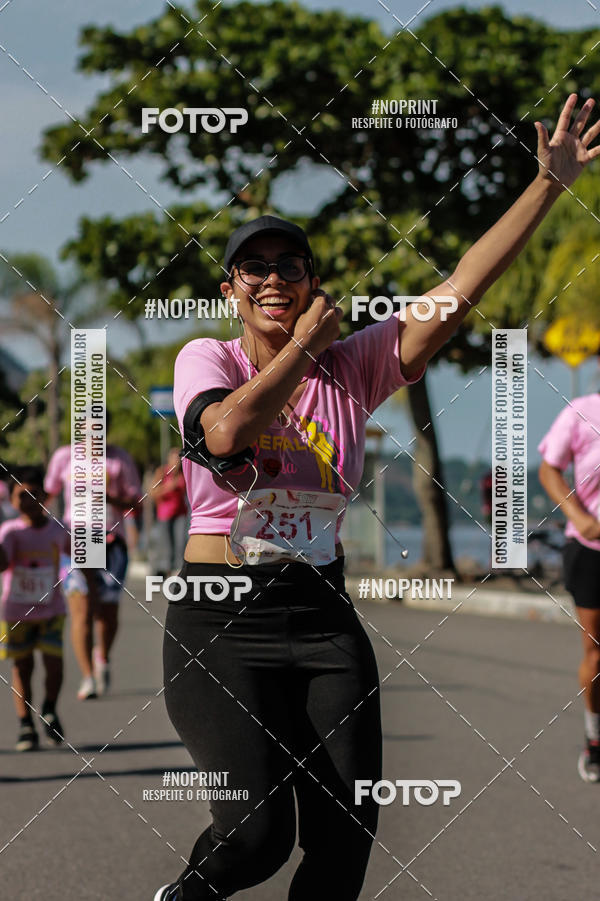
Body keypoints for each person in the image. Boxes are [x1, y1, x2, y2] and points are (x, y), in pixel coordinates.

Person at [156, 94, 600, 900]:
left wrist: (549, 185)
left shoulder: (354, 366)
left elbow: (460, 287)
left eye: (291, 266)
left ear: (314, 283)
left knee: (344, 840)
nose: (273, 277)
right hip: (219, 616)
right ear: (231, 289)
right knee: (256, 836)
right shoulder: (207, 357)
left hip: (320, 610)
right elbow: (223, 436)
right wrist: (298, 349)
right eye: (254, 267)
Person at [44, 410, 143, 699]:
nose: (93, 438)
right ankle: (88, 676)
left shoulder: (119, 459)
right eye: (88, 433)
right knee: (82, 611)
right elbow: (46, 496)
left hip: (110, 542)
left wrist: (110, 498)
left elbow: (137, 503)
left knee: (107, 614)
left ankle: (103, 658)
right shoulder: (64, 457)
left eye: (99, 432)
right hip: (74, 541)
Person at [538, 384, 600, 782]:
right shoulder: (582, 411)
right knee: (596, 654)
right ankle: (595, 738)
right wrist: (578, 517)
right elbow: (549, 468)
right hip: (592, 549)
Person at [0, 466, 70, 751]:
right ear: (12, 499)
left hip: (52, 609)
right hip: (17, 612)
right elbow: (3, 564)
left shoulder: (57, 529)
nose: (28, 501)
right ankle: (25, 724)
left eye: (34, 494)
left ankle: (49, 709)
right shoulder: (9, 532)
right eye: (21, 496)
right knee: (22, 667)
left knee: (54, 666)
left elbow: (79, 555)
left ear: (45, 496)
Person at [149, 447, 188, 577]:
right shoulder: (162, 472)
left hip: (181, 513)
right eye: (174, 458)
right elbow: (152, 493)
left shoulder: (184, 473)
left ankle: (178, 570)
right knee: (166, 544)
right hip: (165, 514)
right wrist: (168, 488)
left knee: (181, 541)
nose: (177, 461)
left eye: (179, 459)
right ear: (169, 459)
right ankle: (166, 570)